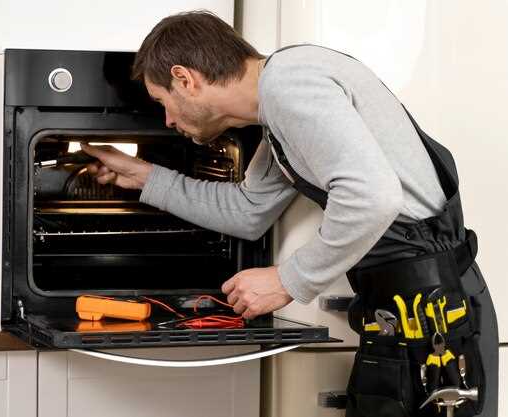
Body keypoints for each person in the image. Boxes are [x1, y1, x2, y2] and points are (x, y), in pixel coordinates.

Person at [81, 10, 498, 417]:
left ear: (185, 79)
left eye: (163, 102)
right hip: (403, 313)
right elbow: (248, 210)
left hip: (437, 317)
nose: (168, 120)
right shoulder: (279, 107)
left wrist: (288, 279)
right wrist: (144, 177)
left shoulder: (290, 85)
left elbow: (373, 196)